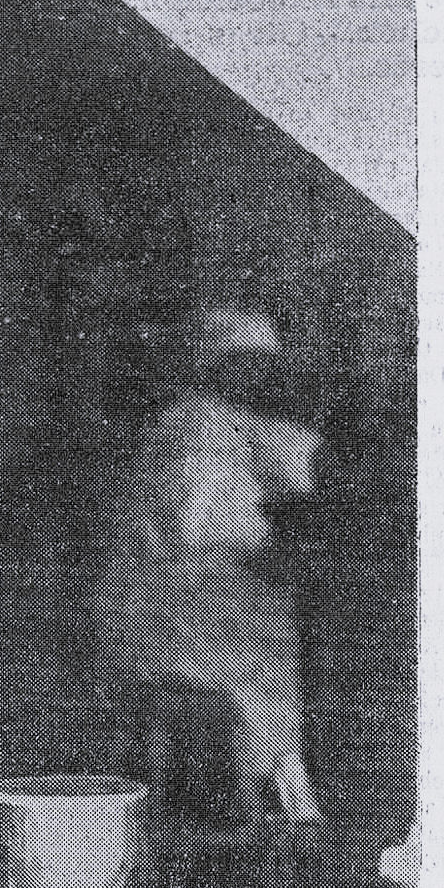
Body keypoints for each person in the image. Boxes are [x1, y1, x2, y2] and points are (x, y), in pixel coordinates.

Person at [94, 308, 325, 829]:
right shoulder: (208, 425)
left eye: (267, 370)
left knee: (265, 641)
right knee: (263, 662)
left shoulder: (210, 425)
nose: (260, 381)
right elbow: (232, 532)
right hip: (174, 608)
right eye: (248, 368)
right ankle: (283, 818)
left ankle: (270, 814)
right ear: (218, 369)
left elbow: (293, 474)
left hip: (175, 605)